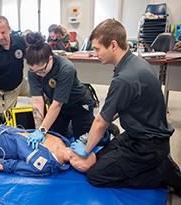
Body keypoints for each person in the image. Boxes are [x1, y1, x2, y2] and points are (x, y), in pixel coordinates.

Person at [71, 19, 181, 196]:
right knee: (99, 158)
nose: (94, 53)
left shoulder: (125, 77)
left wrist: (85, 151)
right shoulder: (133, 63)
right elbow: (114, 110)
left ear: (113, 45)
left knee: (95, 175)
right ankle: (157, 163)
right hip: (136, 136)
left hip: (147, 146)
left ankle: (161, 173)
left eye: (97, 48)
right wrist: (91, 140)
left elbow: (101, 122)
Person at [25, 32, 113, 150]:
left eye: (41, 71)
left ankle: (106, 132)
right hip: (61, 107)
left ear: (50, 59)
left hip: (80, 105)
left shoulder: (65, 68)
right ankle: (71, 127)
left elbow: (57, 104)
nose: (38, 75)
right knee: (55, 136)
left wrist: (42, 129)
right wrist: (39, 129)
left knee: (84, 141)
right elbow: (37, 101)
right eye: (35, 71)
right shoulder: (34, 70)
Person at [0, 126, 97, 176]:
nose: (84, 147)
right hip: (5, 129)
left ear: (76, 161)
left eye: (85, 152)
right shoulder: (64, 140)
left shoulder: (45, 165)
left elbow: (12, 166)